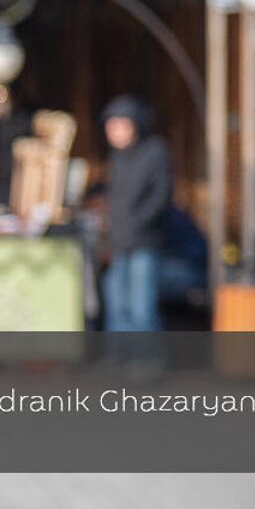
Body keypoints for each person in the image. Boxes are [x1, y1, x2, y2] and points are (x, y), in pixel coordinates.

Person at [102, 95, 172, 333]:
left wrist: (138, 223)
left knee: (141, 307)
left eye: (120, 126)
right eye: (111, 127)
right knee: (116, 304)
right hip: (120, 243)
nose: (115, 133)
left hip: (144, 242)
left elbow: (160, 196)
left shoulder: (155, 152)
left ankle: (146, 361)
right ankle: (122, 357)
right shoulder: (117, 157)